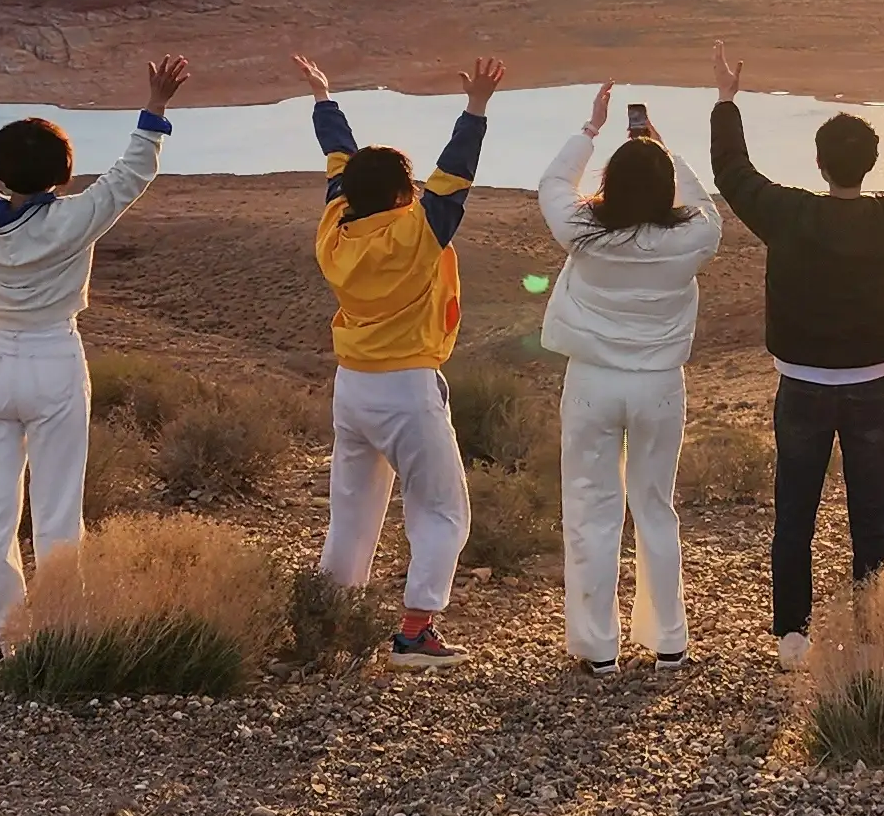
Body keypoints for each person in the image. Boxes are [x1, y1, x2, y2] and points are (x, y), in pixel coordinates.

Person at [0, 19, 186, 656]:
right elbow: (129, 179)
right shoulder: (76, 217)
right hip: (55, 357)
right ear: (63, 175)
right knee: (58, 509)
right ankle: (58, 630)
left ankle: (1, 637)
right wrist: (155, 108)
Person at [708, 42, 884, 672]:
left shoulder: (790, 214)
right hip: (875, 389)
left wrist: (725, 101)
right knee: (870, 517)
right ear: (870, 163)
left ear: (819, 163)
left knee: (794, 511)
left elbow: (734, 174)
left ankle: (792, 636)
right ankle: (873, 636)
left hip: (800, 389)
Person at [301, 52, 503, 670]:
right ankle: (415, 632)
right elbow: (453, 176)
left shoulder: (334, 227)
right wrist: (476, 108)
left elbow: (340, 159)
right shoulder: (416, 234)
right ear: (400, 194)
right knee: (443, 509)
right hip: (407, 387)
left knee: (353, 511)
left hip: (352, 388)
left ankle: (329, 623)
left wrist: (323, 97)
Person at [536, 85, 725, 674]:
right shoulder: (693, 238)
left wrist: (590, 132)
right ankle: (668, 640)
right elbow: (707, 206)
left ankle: (598, 649)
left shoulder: (584, 232)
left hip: (593, 382)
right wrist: (664, 147)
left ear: (611, 184)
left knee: (591, 508)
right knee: (654, 506)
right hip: (660, 387)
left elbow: (552, 186)